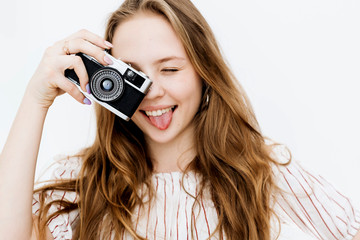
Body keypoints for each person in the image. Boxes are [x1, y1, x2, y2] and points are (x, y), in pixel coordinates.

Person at [0, 0, 359, 239]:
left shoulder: (260, 170)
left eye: (170, 68)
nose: (152, 92)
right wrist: (36, 98)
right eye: (133, 76)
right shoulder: (79, 180)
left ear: (204, 72)